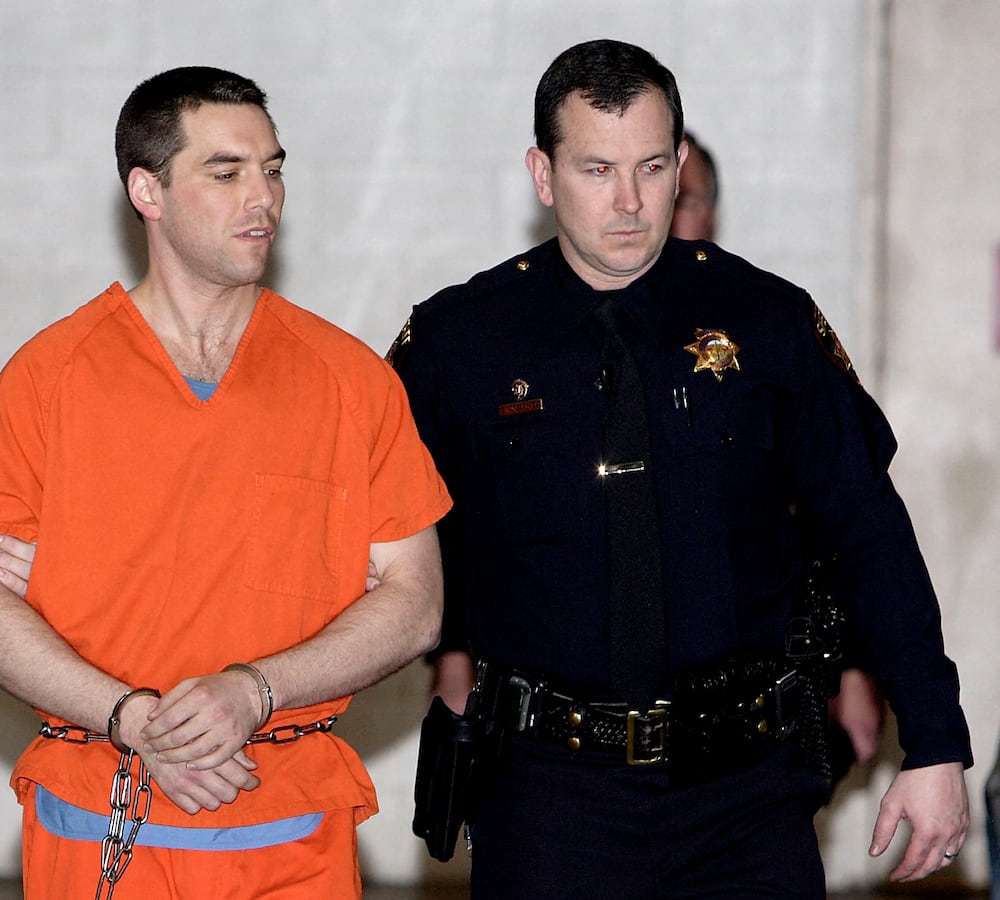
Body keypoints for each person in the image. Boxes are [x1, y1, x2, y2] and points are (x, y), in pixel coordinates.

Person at [392, 39, 971, 896]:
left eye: (652, 167)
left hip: (745, 797)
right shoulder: (459, 342)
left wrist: (935, 741)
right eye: (597, 168)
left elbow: (868, 533)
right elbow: (374, 542)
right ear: (543, 175)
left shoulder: (768, 322)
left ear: (681, 163)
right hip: (549, 801)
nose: (629, 202)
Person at [0, 66, 451, 899]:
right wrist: (132, 718)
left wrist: (256, 690)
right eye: (227, 172)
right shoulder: (49, 379)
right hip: (100, 818)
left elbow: (416, 604)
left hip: (288, 832)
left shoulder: (349, 381)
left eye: (273, 169)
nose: (263, 197)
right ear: (148, 189)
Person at [671, 130, 891, 787]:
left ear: (713, 214)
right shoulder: (574, 336)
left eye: (687, 198)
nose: (663, 211)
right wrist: (457, 660)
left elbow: (846, 517)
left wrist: (853, 669)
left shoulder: (769, 334)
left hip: (759, 689)